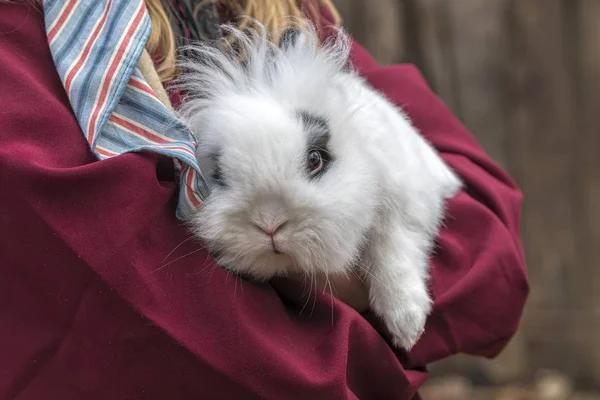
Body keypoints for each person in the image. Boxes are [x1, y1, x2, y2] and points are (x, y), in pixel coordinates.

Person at [0, 0, 529, 399]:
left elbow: (489, 247)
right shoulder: (40, 40)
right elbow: (171, 322)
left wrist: (370, 264)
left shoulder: (292, 17)